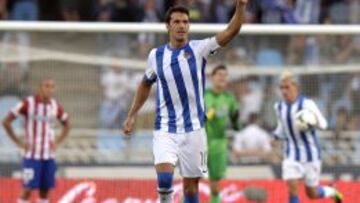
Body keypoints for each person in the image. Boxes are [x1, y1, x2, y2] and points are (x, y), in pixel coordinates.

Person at [123, 1, 247, 202]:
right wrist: (131, 115)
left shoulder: (200, 49)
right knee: (164, 180)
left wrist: (240, 7)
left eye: (185, 22)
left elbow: (231, 31)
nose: (182, 25)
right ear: (168, 26)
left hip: (194, 129)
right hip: (165, 127)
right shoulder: (156, 55)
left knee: (191, 189)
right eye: (177, 21)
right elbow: (145, 84)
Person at [273, 71, 343, 203]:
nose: (284, 91)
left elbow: (324, 124)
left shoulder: (307, 104)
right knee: (292, 188)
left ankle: (332, 191)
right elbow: (281, 128)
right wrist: (275, 136)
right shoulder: (279, 107)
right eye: (281, 88)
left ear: (296, 87)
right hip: (291, 154)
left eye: (287, 87)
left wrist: (312, 121)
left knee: (312, 194)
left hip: (311, 154)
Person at [2, 78, 71, 203]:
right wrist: (18, 142)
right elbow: (6, 121)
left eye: (52, 86)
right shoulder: (28, 103)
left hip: (49, 156)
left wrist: (58, 142)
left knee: (45, 192)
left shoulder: (55, 106)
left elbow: (67, 124)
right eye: (47, 86)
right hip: (32, 156)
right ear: (39, 88)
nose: (50, 89)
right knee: (27, 190)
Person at [204, 65, 239, 203]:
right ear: (212, 77)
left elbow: (237, 127)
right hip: (201, 142)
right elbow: (202, 118)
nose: (222, 78)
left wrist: (236, 120)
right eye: (219, 74)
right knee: (191, 183)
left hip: (219, 144)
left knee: (215, 186)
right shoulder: (204, 95)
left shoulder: (229, 98)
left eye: (225, 75)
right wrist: (212, 112)